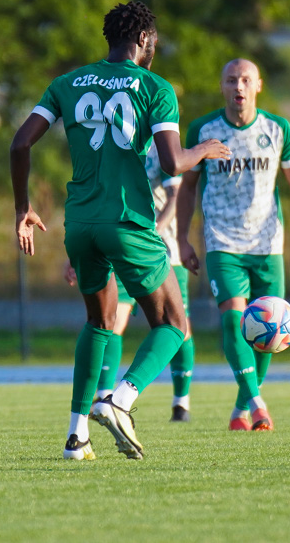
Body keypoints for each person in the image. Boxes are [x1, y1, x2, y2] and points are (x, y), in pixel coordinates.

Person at [10, 1, 229, 460]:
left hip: (81, 224)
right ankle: (120, 400)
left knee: (100, 321)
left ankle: (76, 437)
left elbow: (20, 142)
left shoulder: (66, 83)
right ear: (145, 41)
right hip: (127, 221)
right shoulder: (154, 86)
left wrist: (23, 207)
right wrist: (205, 147)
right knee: (173, 322)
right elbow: (172, 162)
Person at [176, 58, 290, 432]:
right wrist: (181, 238)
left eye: (245, 80)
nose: (238, 86)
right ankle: (257, 405)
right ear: (222, 87)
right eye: (230, 80)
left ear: (258, 86)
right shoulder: (203, 130)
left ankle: (241, 408)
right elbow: (187, 187)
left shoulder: (277, 129)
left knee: (272, 333)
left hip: (268, 243)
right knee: (233, 319)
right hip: (223, 242)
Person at [63, 143, 196, 423]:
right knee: (112, 320)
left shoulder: (162, 146)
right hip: (119, 246)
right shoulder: (114, 147)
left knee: (179, 327)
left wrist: (152, 232)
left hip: (162, 251)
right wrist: (78, 254)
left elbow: (175, 197)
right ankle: (104, 395)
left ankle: (180, 402)